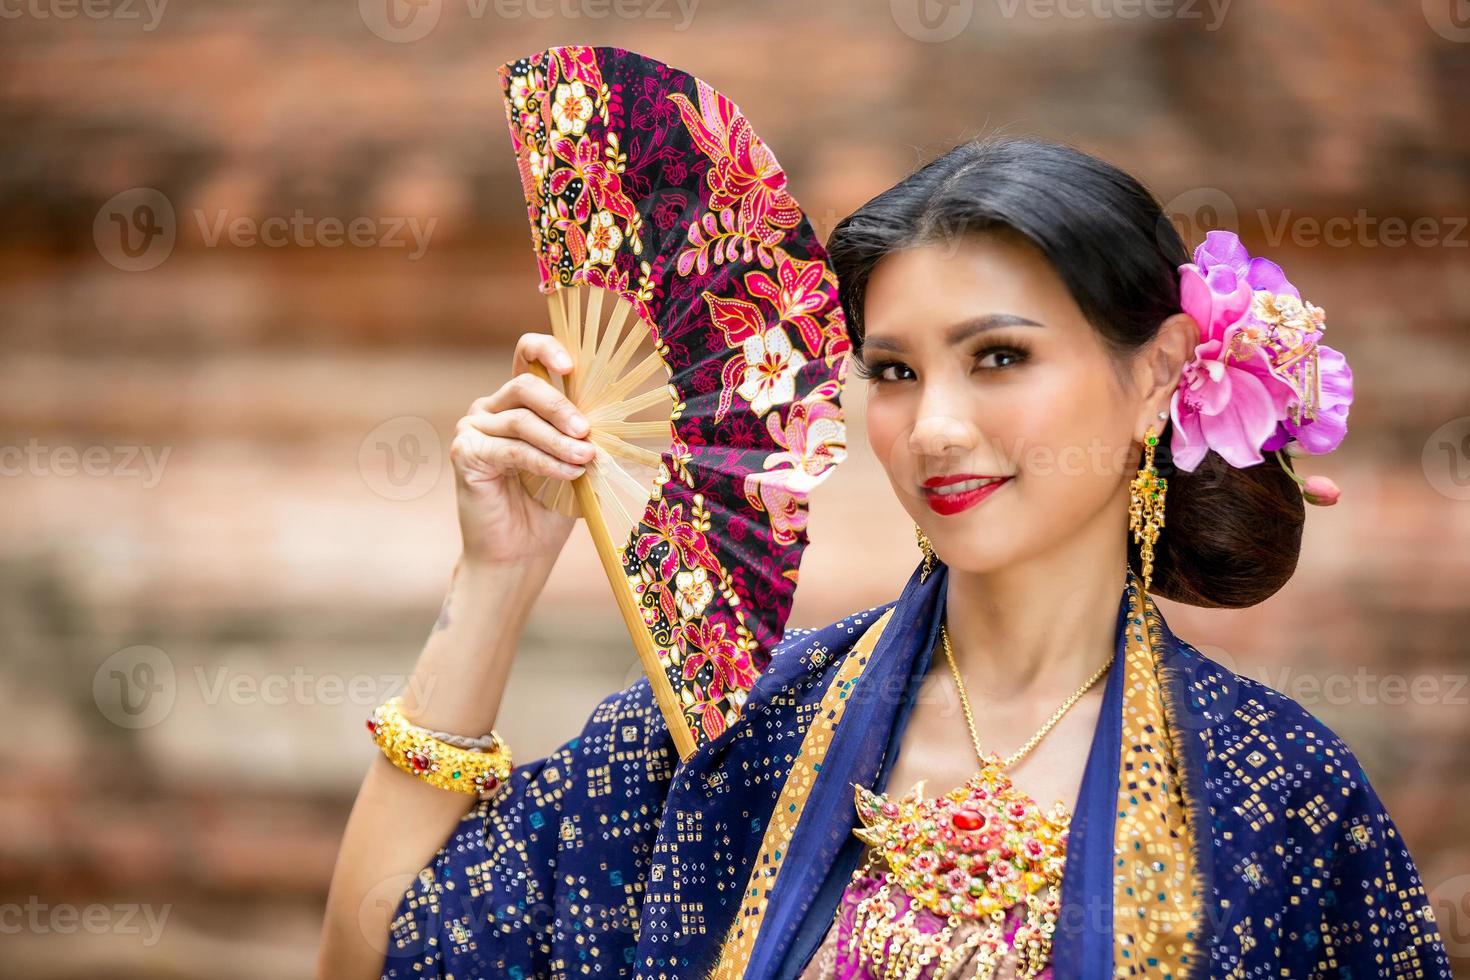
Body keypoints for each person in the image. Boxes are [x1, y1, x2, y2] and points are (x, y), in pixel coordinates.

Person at [317, 137, 1451, 979]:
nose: (936, 426)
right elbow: (377, 952)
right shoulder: (731, 734)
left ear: (1157, 374)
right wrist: (500, 574)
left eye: (998, 356)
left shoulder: (1278, 793)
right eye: (895, 371)